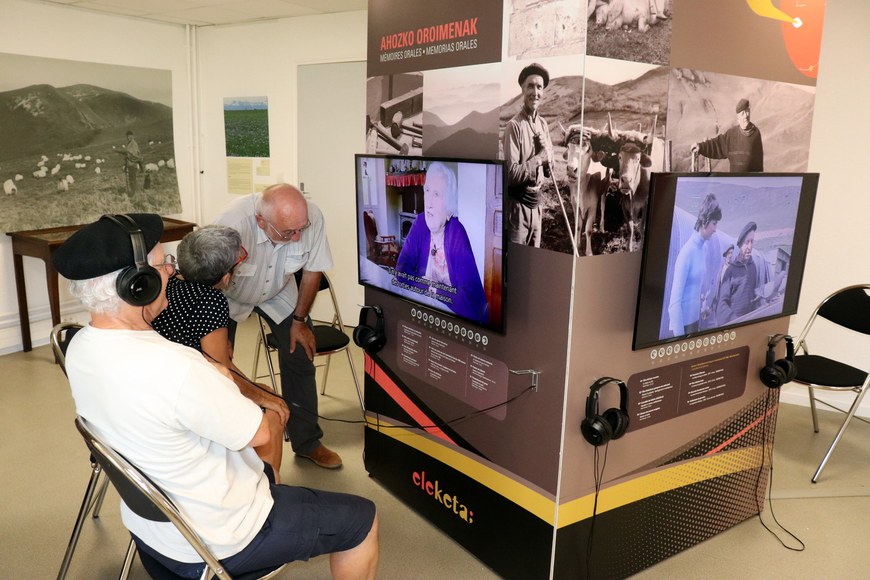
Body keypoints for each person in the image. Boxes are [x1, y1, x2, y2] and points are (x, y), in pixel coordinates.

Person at [53, 213, 378, 579]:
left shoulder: (78, 346)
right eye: (163, 266)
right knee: (361, 520)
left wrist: (212, 378)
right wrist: (232, 387)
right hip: (216, 541)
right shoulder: (177, 367)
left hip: (152, 532)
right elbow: (260, 433)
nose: (172, 272)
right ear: (137, 285)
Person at [214, 183, 342, 469]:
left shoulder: (312, 217)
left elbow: (312, 271)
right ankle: (229, 446)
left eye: (301, 229)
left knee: (301, 353)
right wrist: (216, 330)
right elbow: (209, 283)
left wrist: (299, 321)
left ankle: (308, 442)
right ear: (262, 221)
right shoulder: (229, 225)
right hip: (227, 297)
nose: (297, 236)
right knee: (218, 367)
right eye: (288, 232)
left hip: (279, 292)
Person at [151, 225, 289, 482]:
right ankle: (270, 489)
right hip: (192, 400)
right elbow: (221, 373)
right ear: (226, 277)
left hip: (160, 391)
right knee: (274, 412)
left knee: (263, 392)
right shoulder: (210, 301)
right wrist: (267, 399)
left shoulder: (164, 284)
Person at [394, 162, 488, 324]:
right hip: (428, 314)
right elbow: (401, 272)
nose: (428, 202)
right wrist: (431, 288)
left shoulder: (456, 232)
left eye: (436, 194)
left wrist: (431, 288)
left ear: (449, 208)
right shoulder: (420, 222)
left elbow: (470, 302)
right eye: (427, 191)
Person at [503, 62, 555, 247]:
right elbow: (510, 175)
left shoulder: (544, 125)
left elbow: (551, 170)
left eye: (539, 87)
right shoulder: (514, 126)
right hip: (518, 209)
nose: (535, 92)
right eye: (530, 86)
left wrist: (548, 157)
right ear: (522, 90)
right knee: (517, 264)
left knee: (533, 262)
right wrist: (539, 158)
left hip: (537, 207)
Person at [667, 194, 722, 336]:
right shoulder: (686, 253)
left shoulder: (703, 248)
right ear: (705, 221)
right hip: (683, 328)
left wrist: (702, 308)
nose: (716, 229)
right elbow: (674, 304)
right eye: (714, 223)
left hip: (695, 322)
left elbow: (695, 289)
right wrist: (680, 341)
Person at [691, 98, 763, 172]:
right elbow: (717, 145)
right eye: (742, 114)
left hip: (749, 182)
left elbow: (759, 164)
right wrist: (700, 146)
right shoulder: (731, 135)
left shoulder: (755, 134)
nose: (745, 116)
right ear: (738, 118)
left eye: (747, 112)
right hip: (734, 181)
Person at [717, 221, 759, 324]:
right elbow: (722, 305)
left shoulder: (753, 267)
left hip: (750, 323)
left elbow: (755, 294)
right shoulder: (730, 271)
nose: (749, 247)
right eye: (746, 242)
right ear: (740, 245)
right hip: (735, 324)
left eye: (752, 242)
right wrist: (736, 320)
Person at [116, 129, 142, 194]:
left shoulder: (134, 144)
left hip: (133, 164)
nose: (128, 137)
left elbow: (133, 154)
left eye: (130, 136)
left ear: (132, 136)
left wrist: (122, 152)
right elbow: (128, 153)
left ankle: (134, 193)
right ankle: (134, 192)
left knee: (132, 179)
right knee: (131, 179)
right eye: (127, 136)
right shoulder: (129, 143)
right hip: (130, 164)